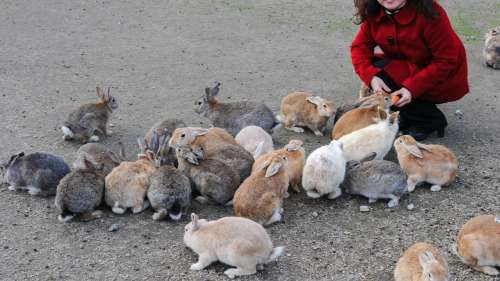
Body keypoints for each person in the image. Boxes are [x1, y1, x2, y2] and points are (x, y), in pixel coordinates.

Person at [350, 0, 469, 141]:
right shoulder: (375, 9)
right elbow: (359, 47)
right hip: (408, 67)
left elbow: (446, 60)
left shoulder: (430, 12)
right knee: (378, 72)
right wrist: (371, 77)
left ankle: (429, 120)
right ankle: (405, 115)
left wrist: (412, 88)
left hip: (443, 75)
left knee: (388, 74)